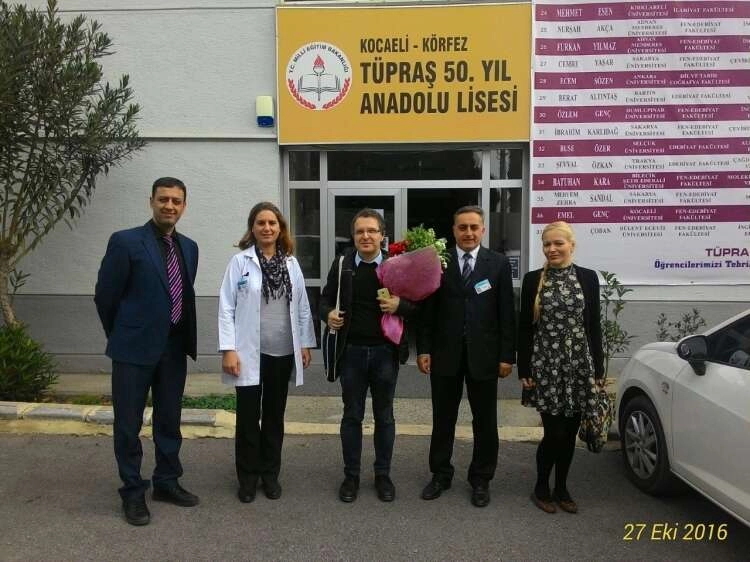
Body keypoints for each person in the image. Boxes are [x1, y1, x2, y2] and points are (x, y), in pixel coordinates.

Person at [94, 177, 199, 526]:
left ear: (184, 206)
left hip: (173, 349)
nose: (170, 206)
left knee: (169, 420)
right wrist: (122, 334)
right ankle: (133, 492)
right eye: (163, 199)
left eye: (176, 201)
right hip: (132, 350)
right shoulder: (125, 241)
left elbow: (180, 294)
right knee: (128, 425)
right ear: (151, 201)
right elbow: (106, 296)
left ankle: (166, 482)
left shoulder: (189, 247)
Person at [416, 205, 516, 507]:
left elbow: (506, 313)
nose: (468, 233)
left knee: (485, 421)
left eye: (474, 227)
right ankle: (440, 474)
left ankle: (481, 478)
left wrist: (506, 356)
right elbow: (427, 311)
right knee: (442, 419)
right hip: (444, 355)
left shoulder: (498, 264)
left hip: (484, 357)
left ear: (483, 229)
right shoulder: (439, 262)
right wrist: (424, 349)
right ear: (454, 230)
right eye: (463, 227)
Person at [218, 202, 316, 504]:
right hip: (248, 353)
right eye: (260, 222)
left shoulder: (291, 264)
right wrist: (228, 349)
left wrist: (304, 344)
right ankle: (247, 478)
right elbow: (226, 307)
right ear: (253, 228)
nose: (267, 228)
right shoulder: (240, 262)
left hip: (282, 352)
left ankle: (270, 475)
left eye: (272, 223)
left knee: (274, 416)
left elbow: (302, 306)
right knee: (248, 417)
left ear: (280, 228)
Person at [320, 209, 417, 503]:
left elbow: (417, 307)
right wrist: (328, 314)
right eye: (360, 231)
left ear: (382, 235)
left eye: (372, 231)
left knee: (384, 416)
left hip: (385, 353)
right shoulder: (342, 265)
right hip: (351, 353)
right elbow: (324, 300)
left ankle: (382, 475)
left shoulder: (395, 266)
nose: (366, 236)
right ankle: (351, 476)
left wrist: (400, 306)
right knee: (352, 416)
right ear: (353, 236)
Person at [517, 221, 604, 514]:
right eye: (547, 244)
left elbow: (594, 325)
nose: (552, 249)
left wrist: (598, 371)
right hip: (546, 366)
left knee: (568, 435)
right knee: (553, 433)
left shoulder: (588, 278)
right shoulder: (533, 280)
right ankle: (541, 486)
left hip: (579, 365)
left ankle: (562, 487)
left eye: (558, 243)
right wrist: (524, 369)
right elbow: (525, 328)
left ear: (571, 245)